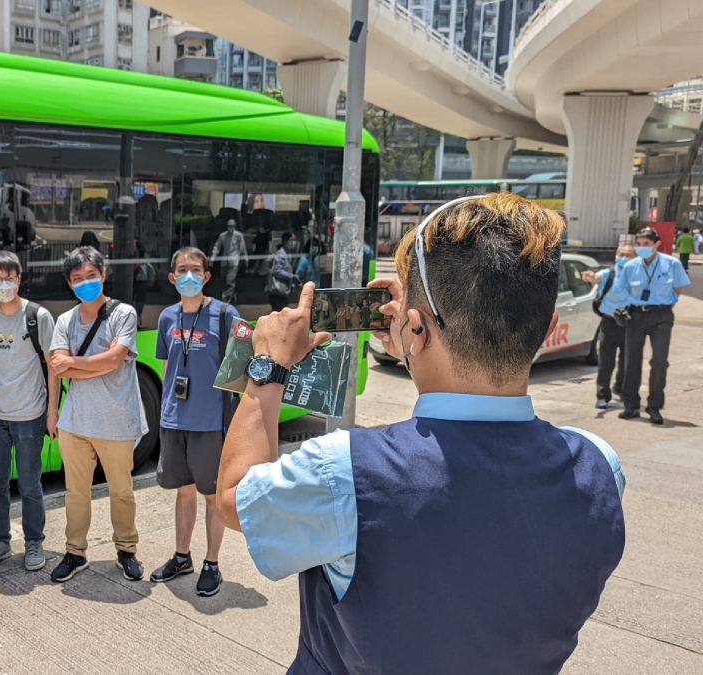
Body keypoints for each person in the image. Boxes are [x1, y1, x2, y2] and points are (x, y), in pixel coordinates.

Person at [218, 192, 625, 673]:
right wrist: (419, 344)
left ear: (416, 328)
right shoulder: (601, 465)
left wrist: (267, 367)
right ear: (547, 326)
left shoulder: (345, 471)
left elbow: (234, 497)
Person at [47, 246, 148, 583]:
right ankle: (75, 552)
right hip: (75, 422)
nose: (85, 282)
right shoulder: (65, 320)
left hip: (116, 421)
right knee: (76, 493)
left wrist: (76, 364)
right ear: (69, 283)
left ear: (103, 275)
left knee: (121, 491)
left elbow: (115, 359)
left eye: (91, 275)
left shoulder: (123, 313)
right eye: (78, 278)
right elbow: (58, 367)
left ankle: (126, 550)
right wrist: (97, 364)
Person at [150, 247, 241, 597]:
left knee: (212, 496)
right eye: (182, 269)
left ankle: (212, 564)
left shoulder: (225, 315)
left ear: (206, 276)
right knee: (183, 490)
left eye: (196, 269)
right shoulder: (167, 318)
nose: (189, 275)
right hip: (174, 422)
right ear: (172, 277)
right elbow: (167, 367)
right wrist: (166, 413)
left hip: (211, 423)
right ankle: (182, 557)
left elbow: (239, 369)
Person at [0, 250, 58, 574]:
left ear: (19, 279)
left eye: (9, 278)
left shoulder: (38, 316)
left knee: (31, 485)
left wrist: (52, 412)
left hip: (30, 416)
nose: (4, 284)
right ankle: (0, 541)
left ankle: (34, 541)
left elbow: (53, 367)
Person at [617, 227, 691, 425]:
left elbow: (678, 289)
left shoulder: (672, 264)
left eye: (646, 244)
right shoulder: (631, 266)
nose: (641, 247)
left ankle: (654, 407)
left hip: (661, 316)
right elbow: (624, 289)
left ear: (656, 244)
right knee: (631, 360)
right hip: (636, 316)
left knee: (659, 361)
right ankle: (631, 405)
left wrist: (663, 306)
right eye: (639, 244)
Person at [582, 245, 637, 409]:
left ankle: (620, 387)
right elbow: (596, 278)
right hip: (610, 323)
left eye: (629, 255)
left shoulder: (639, 275)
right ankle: (602, 395)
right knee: (606, 362)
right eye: (622, 254)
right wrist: (590, 277)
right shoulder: (609, 274)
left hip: (631, 324)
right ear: (616, 255)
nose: (624, 257)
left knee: (627, 361)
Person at [210, 219, 247, 304]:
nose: (231, 228)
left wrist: (246, 259)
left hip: (234, 261)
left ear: (235, 226)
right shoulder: (223, 235)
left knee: (230, 281)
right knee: (223, 280)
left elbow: (242, 248)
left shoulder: (238, 235)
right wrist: (212, 259)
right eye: (229, 226)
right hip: (224, 261)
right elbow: (217, 247)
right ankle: (231, 297)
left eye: (232, 226)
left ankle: (226, 300)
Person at [266, 231, 299, 312]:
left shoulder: (288, 254)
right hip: (277, 292)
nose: (294, 243)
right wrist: (291, 276)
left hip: (283, 292)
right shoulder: (280, 255)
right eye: (292, 240)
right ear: (285, 241)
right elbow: (276, 270)